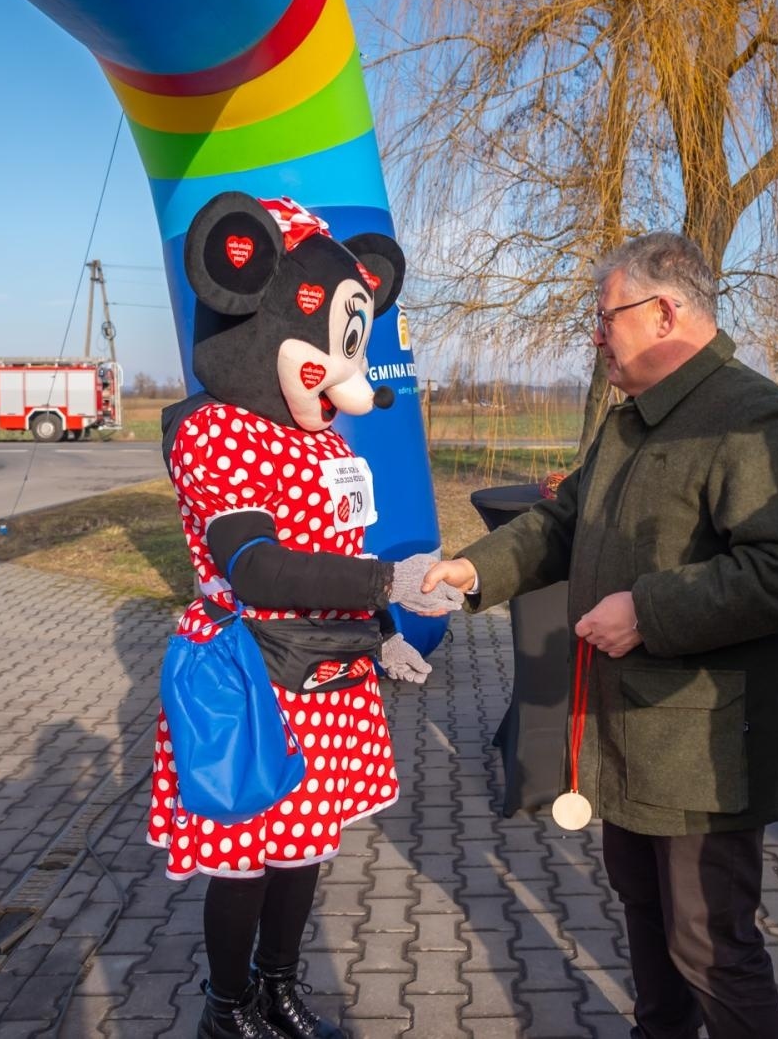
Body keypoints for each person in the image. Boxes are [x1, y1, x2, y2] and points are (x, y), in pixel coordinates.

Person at [425, 232, 778, 1039]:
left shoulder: (758, 421)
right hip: (627, 739)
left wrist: (648, 610)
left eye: (604, 315)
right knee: (649, 926)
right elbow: (561, 521)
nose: (596, 334)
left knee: (710, 948)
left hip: (702, 754)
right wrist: (476, 571)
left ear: (664, 313)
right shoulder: (634, 422)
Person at [150, 192, 456, 1039]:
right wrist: (386, 586)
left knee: (307, 845)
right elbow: (258, 568)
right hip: (255, 675)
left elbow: (333, 548)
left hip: (331, 667)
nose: (352, 384)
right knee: (247, 858)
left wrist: (386, 634)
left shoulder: (322, 440)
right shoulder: (219, 433)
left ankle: (278, 986)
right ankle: (226, 1005)